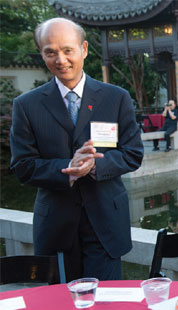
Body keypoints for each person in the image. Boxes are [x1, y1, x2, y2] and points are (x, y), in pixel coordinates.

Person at [9, 18, 144, 281]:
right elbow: (22, 166)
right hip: (56, 225)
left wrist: (94, 165)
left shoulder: (115, 98)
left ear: (83, 49)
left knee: (105, 309)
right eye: (50, 52)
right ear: (42, 54)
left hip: (105, 223)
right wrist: (69, 170)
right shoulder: (27, 105)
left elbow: (132, 153)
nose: (60, 59)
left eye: (67, 50)